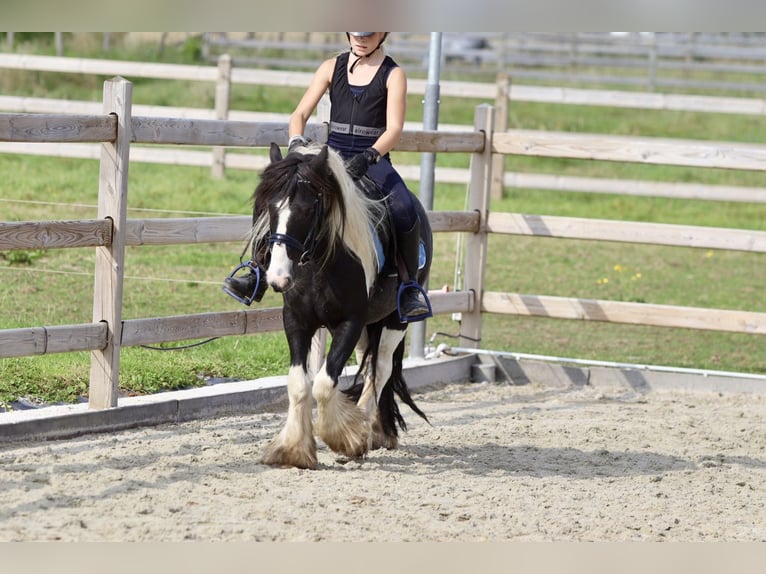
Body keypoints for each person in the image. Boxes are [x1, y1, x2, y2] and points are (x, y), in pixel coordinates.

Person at [224, 32, 430, 321]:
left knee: (405, 209)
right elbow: (299, 114)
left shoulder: (394, 74)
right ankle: (256, 270)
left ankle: (408, 287)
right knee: (275, 197)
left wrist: (370, 155)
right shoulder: (330, 67)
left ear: (383, 34)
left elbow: (394, 129)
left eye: (369, 34)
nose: (361, 39)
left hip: (371, 159)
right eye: (356, 34)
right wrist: (296, 142)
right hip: (329, 158)